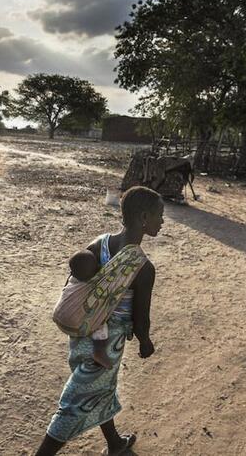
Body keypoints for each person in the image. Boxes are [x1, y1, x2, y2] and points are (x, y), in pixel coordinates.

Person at [36, 186, 163, 456]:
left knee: (98, 387)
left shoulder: (101, 242)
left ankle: (115, 443)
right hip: (108, 344)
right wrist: (145, 342)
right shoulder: (143, 268)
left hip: (82, 330)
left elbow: (73, 282)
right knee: (75, 401)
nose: (162, 222)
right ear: (143, 218)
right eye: (159, 216)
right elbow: (141, 319)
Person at [64, 249, 112, 369]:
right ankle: (99, 351)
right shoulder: (90, 284)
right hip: (77, 319)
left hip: (63, 315)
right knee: (100, 321)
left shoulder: (72, 280)